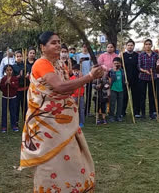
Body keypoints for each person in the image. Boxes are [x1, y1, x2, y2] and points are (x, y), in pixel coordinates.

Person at [20, 31, 104, 192]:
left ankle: (72, 187)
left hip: (63, 120)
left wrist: (93, 75)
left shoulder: (60, 64)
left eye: (59, 42)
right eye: (53, 42)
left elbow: (68, 88)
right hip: (46, 123)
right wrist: (89, 77)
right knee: (50, 161)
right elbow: (59, 87)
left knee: (72, 157)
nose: (58, 45)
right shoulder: (41, 63)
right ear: (42, 47)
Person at [138, 39, 158, 120]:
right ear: (144, 45)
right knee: (142, 96)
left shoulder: (155, 55)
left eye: (149, 44)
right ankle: (143, 113)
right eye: (146, 44)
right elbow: (139, 67)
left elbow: (157, 65)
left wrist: (158, 66)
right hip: (143, 77)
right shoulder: (141, 55)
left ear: (151, 45)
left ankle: (151, 112)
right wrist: (145, 71)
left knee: (152, 95)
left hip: (153, 77)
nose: (148, 45)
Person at [121, 39, 140, 118]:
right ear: (126, 46)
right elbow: (120, 67)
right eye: (128, 45)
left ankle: (136, 112)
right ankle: (122, 111)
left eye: (131, 45)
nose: (130, 47)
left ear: (133, 46)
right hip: (125, 78)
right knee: (124, 96)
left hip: (135, 78)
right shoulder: (123, 55)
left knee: (135, 95)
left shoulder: (137, 55)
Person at [0, 65, 19, 133]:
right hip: (5, 97)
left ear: (12, 71)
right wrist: (5, 83)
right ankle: (4, 126)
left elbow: (16, 87)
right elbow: (1, 88)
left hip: (13, 98)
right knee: (4, 112)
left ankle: (13, 125)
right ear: (5, 71)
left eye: (10, 70)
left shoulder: (15, 78)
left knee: (13, 112)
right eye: (7, 70)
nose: (9, 71)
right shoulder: (3, 79)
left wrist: (10, 83)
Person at [76, 43, 93, 117]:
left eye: (86, 47)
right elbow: (77, 65)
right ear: (82, 47)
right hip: (81, 77)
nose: (85, 48)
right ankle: (79, 110)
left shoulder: (90, 55)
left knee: (88, 94)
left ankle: (87, 111)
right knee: (80, 94)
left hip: (89, 76)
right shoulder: (78, 55)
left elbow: (92, 65)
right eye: (84, 47)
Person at [13, 51, 29, 126]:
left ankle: (25, 120)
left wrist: (27, 76)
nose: (19, 58)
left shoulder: (26, 66)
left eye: (20, 56)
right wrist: (18, 77)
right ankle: (15, 121)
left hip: (25, 89)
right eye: (17, 56)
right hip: (16, 89)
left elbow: (29, 74)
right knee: (16, 106)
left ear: (23, 57)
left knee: (25, 106)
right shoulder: (13, 66)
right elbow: (12, 78)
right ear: (15, 58)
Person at [108, 57, 125, 122]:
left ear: (120, 64)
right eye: (115, 63)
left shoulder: (123, 71)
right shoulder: (111, 71)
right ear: (113, 64)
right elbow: (112, 80)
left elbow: (124, 79)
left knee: (120, 103)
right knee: (112, 103)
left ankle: (118, 116)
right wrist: (114, 72)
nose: (116, 65)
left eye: (117, 63)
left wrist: (125, 82)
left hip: (121, 89)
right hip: (113, 89)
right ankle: (111, 116)